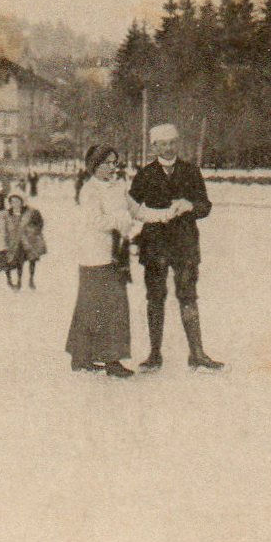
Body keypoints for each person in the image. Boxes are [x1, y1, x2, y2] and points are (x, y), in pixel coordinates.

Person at [66, 144, 169, 377]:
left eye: (115, 162)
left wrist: (163, 215)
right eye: (107, 163)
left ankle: (92, 357)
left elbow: (137, 211)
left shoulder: (119, 187)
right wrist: (122, 221)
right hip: (95, 254)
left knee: (109, 306)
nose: (112, 167)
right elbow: (96, 222)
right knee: (96, 306)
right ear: (95, 165)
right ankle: (99, 359)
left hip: (116, 256)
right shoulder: (89, 190)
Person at [128, 123, 221, 371]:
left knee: (188, 295)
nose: (168, 148)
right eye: (163, 144)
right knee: (155, 298)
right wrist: (152, 215)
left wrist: (190, 205)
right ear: (154, 146)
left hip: (185, 244)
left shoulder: (190, 171)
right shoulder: (145, 174)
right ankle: (154, 354)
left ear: (177, 144)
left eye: (172, 143)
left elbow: (206, 206)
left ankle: (197, 353)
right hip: (154, 245)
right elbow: (132, 209)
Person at [17, 195, 47, 289]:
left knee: (32, 261)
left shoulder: (33, 212)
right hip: (19, 240)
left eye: (18, 201)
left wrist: (34, 231)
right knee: (19, 262)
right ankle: (19, 281)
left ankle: (31, 279)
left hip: (31, 240)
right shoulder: (11, 212)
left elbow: (40, 223)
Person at [3, 193, 30, 290]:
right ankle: (9, 280)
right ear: (10, 203)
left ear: (21, 203)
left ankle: (19, 280)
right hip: (9, 241)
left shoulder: (25, 215)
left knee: (20, 262)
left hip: (21, 241)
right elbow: (2, 227)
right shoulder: (6, 214)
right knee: (7, 262)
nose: (15, 204)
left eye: (17, 202)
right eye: (13, 202)